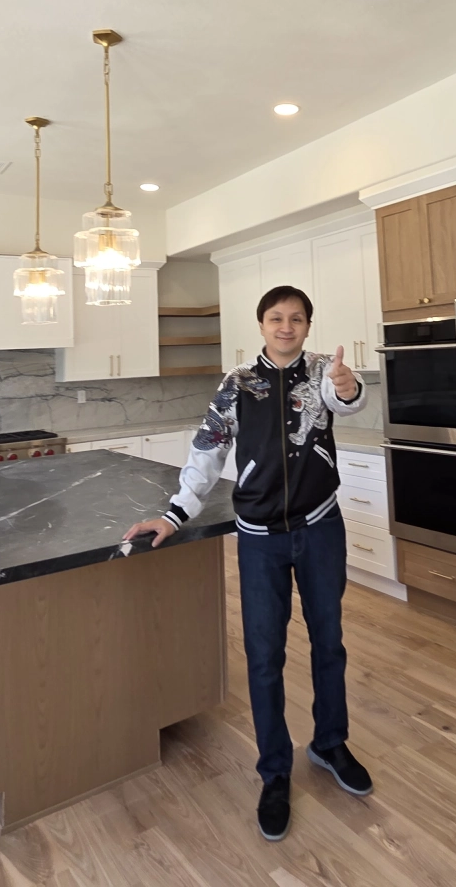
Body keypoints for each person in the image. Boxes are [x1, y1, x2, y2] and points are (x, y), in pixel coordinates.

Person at [123, 285, 372, 841]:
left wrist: (349, 387)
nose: (287, 327)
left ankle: (331, 744)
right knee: (265, 656)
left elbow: (346, 401)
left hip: (320, 529)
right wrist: (172, 515)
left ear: (308, 326)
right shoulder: (236, 386)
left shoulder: (320, 374)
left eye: (297, 319)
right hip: (259, 539)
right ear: (260, 325)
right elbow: (206, 456)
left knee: (329, 642)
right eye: (276, 319)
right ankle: (275, 771)